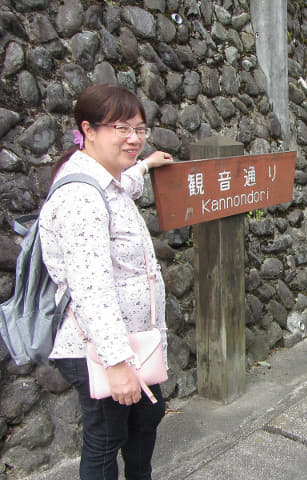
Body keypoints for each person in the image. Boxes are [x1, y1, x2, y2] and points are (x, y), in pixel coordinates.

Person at [39, 84, 174, 479]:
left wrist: (146, 165)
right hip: (97, 348)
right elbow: (91, 289)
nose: (133, 138)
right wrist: (116, 364)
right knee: (107, 437)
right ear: (89, 130)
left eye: (139, 128)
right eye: (120, 127)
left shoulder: (106, 177)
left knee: (146, 416)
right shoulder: (80, 194)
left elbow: (124, 184)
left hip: (133, 341)